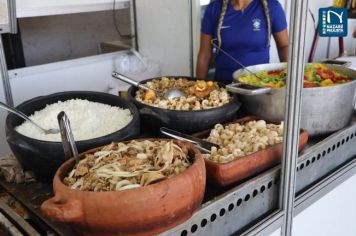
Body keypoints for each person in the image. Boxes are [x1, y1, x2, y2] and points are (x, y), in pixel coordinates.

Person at [196, 0, 289, 84]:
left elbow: (284, 46)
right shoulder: (214, 9)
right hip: (223, 88)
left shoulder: (272, 7)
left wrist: (288, 79)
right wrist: (198, 86)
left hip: (259, 87)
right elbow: (204, 55)